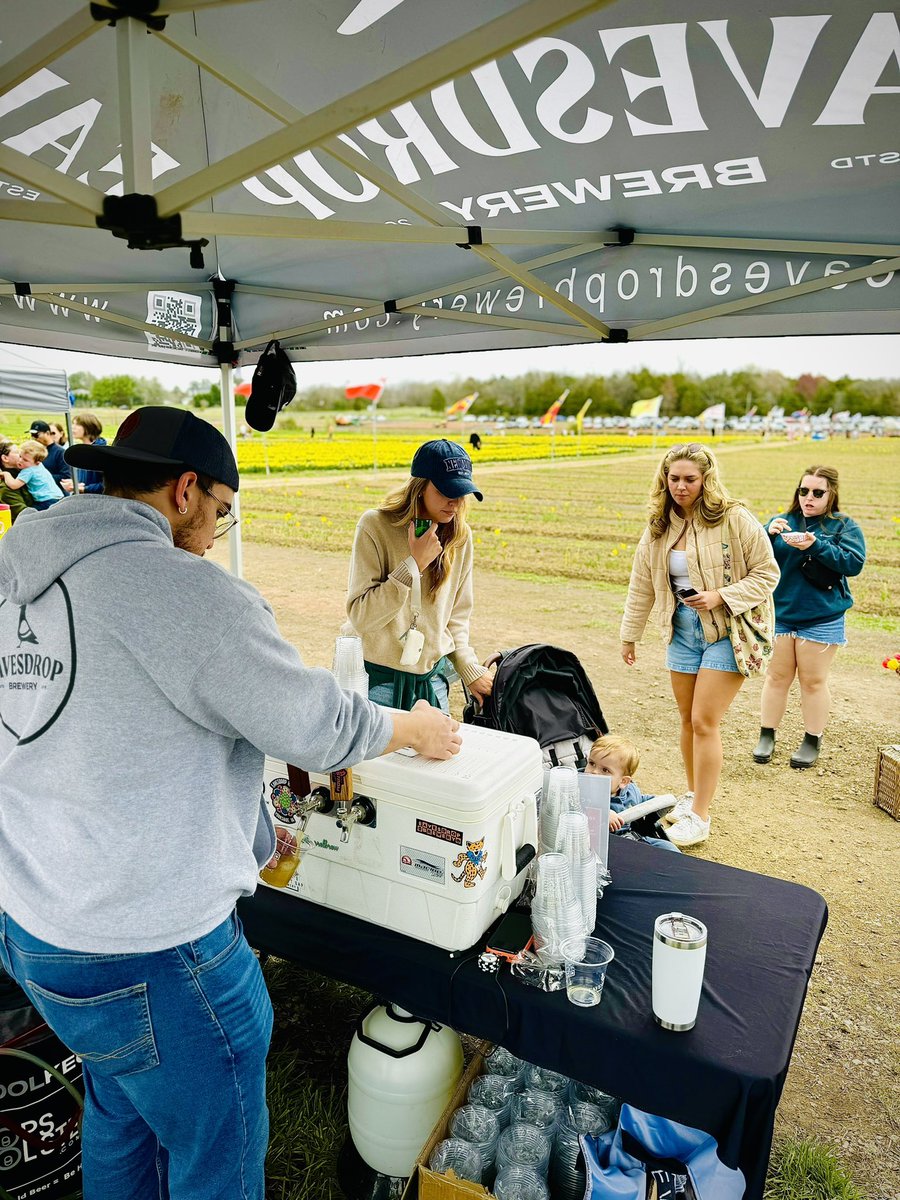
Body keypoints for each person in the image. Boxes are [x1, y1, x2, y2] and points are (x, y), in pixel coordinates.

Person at [0, 406, 461, 1200]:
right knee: (216, 1157)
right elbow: (318, 723)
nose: (215, 532)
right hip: (152, 943)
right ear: (186, 491)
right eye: (219, 512)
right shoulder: (182, 591)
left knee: (122, 1105)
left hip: (34, 926)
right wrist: (410, 727)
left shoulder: (16, 567)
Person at [620, 443, 779, 848]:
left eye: (690, 479)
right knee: (688, 719)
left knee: (706, 721)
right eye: (674, 478)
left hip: (729, 630)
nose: (681, 486)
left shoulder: (734, 518)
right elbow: (642, 583)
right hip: (682, 630)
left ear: (706, 479)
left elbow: (767, 573)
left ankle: (701, 815)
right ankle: (693, 794)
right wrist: (630, 634)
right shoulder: (659, 524)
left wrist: (721, 596)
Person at [346, 439, 493, 713]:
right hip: (377, 684)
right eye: (446, 492)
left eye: (462, 494)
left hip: (432, 682)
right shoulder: (375, 526)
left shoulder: (461, 537)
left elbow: (456, 617)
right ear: (419, 487)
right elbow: (361, 617)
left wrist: (468, 668)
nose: (456, 504)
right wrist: (413, 565)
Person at [752, 465, 866, 769]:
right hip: (782, 614)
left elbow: (853, 563)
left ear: (832, 494)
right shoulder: (783, 522)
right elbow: (754, 560)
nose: (809, 498)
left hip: (821, 617)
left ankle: (812, 739)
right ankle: (767, 735)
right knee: (776, 678)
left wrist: (816, 545)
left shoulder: (843, 526)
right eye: (804, 491)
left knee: (813, 682)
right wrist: (765, 534)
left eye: (818, 492)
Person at [585, 734, 680, 852]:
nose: (593, 772)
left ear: (623, 781)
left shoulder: (630, 791)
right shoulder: (581, 790)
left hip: (632, 838)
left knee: (668, 848)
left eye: (605, 770)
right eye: (591, 763)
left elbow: (640, 801)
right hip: (603, 846)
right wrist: (603, 814)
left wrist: (657, 802)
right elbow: (574, 810)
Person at [1, 439, 64, 509]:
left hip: (46, 501)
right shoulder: (37, 465)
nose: (20, 460)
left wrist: (6, 474)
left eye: (25, 460)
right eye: (20, 456)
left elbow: (13, 485)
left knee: (33, 512)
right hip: (57, 497)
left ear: (37, 462)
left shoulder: (28, 471)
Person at [68, 411, 107, 494]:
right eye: (73, 424)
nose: (73, 427)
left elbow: (107, 484)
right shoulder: (82, 450)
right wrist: (73, 483)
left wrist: (85, 488)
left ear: (89, 427)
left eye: (77, 424)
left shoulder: (101, 453)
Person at [25, 419, 69, 487]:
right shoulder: (32, 451)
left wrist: (41, 477)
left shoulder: (60, 452)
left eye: (36, 435)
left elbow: (65, 476)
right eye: (32, 435)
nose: (33, 438)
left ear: (47, 433)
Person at [0, 441, 35, 522]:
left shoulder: (26, 474)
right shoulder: (5, 487)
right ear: (5, 458)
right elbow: (24, 514)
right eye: (17, 452)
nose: (21, 454)